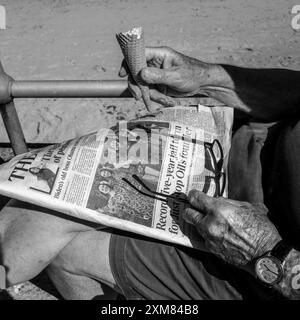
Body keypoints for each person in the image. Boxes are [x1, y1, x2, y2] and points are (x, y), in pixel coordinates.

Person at [0, 46, 300, 299]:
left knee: (69, 252)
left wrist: (267, 252)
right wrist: (206, 79)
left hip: (267, 258)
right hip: (230, 151)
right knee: (43, 203)